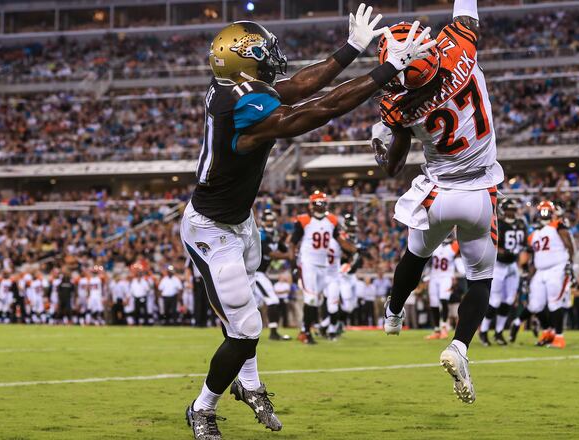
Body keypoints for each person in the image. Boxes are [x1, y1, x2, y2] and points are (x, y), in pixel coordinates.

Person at [179, 7, 436, 437]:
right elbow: (315, 110)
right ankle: (202, 408)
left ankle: (250, 384)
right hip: (211, 228)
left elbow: (297, 86)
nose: (272, 61)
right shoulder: (241, 105)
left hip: (240, 221)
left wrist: (351, 49)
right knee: (245, 329)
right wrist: (386, 69)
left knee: (246, 317)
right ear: (244, 61)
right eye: (264, 55)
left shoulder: (233, 86)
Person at [373, 0, 502, 403]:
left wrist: (381, 149)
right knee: (479, 278)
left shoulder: (396, 102)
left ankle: (394, 313)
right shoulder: (459, 47)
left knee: (415, 256)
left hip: (436, 195)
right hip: (479, 192)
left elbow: (392, 165)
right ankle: (460, 346)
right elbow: (465, 13)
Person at [291, 192, 356, 344]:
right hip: (308, 263)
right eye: (317, 203)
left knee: (316, 300)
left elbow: (339, 240)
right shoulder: (303, 220)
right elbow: (293, 242)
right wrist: (293, 263)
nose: (320, 206)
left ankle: (305, 329)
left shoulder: (332, 220)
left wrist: (354, 250)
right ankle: (306, 333)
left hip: (323, 266)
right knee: (312, 298)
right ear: (311, 204)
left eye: (322, 203)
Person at [527, 201, 575, 349]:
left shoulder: (557, 225)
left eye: (547, 212)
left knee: (555, 303)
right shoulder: (533, 234)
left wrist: (569, 262)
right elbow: (534, 257)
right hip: (540, 270)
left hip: (557, 268)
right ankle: (548, 332)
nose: (544, 215)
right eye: (542, 212)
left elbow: (568, 243)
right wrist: (528, 274)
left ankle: (559, 337)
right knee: (535, 305)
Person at [480, 198, 527, 346]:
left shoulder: (520, 224)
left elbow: (524, 246)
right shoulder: (498, 224)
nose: (511, 213)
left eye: (513, 210)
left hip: (513, 265)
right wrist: (502, 252)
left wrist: (522, 264)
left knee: (508, 301)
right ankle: (484, 331)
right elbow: (491, 244)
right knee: (495, 301)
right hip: (499, 265)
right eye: (509, 210)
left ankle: (499, 332)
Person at [252, 209, 290, 340]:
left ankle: (247, 333)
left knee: (253, 305)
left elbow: (284, 248)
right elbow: (271, 253)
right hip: (255, 273)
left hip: (261, 273)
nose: (269, 223)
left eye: (271, 221)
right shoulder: (260, 234)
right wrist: (288, 256)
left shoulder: (274, 235)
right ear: (262, 222)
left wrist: (290, 248)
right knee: (272, 300)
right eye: (267, 221)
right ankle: (273, 333)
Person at [425, 237, 460, 340]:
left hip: (446, 277)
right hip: (434, 276)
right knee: (434, 303)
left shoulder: (454, 245)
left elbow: (459, 255)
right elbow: (429, 261)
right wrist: (426, 275)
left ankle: (444, 327)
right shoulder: (436, 245)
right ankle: (437, 330)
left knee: (443, 299)